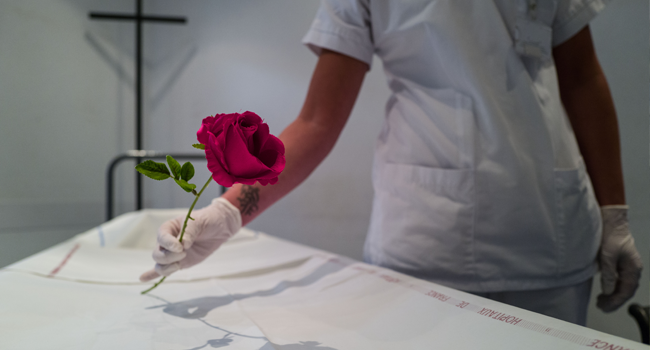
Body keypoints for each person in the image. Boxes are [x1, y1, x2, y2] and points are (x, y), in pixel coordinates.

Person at [140, 0, 642, 326]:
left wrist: (614, 212)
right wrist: (228, 212)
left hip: (549, 239)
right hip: (428, 247)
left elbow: (582, 80)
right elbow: (316, 122)